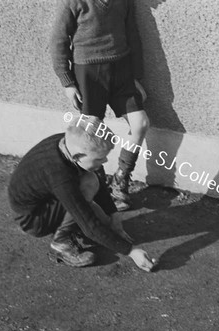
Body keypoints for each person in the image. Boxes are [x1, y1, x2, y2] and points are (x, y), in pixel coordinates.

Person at [8, 116, 155, 271]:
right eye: (99, 158)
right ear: (78, 156)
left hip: (46, 199)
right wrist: (130, 251)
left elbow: (98, 178)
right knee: (88, 185)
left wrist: (113, 214)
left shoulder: (67, 144)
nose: (104, 161)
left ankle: (71, 226)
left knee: (92, 180)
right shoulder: (60, 176)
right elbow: (89, 224)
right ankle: (61, 242)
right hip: (34, 219)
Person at [50, 0, 149, 211]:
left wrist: (137, 77)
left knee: (140, 123)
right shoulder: (74, 2)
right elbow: (58, 41)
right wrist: (67, 82)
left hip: (122, 71)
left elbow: (133, 35)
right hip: (88, 73)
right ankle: (98, 187)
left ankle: (121, 179)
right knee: (91, 132)